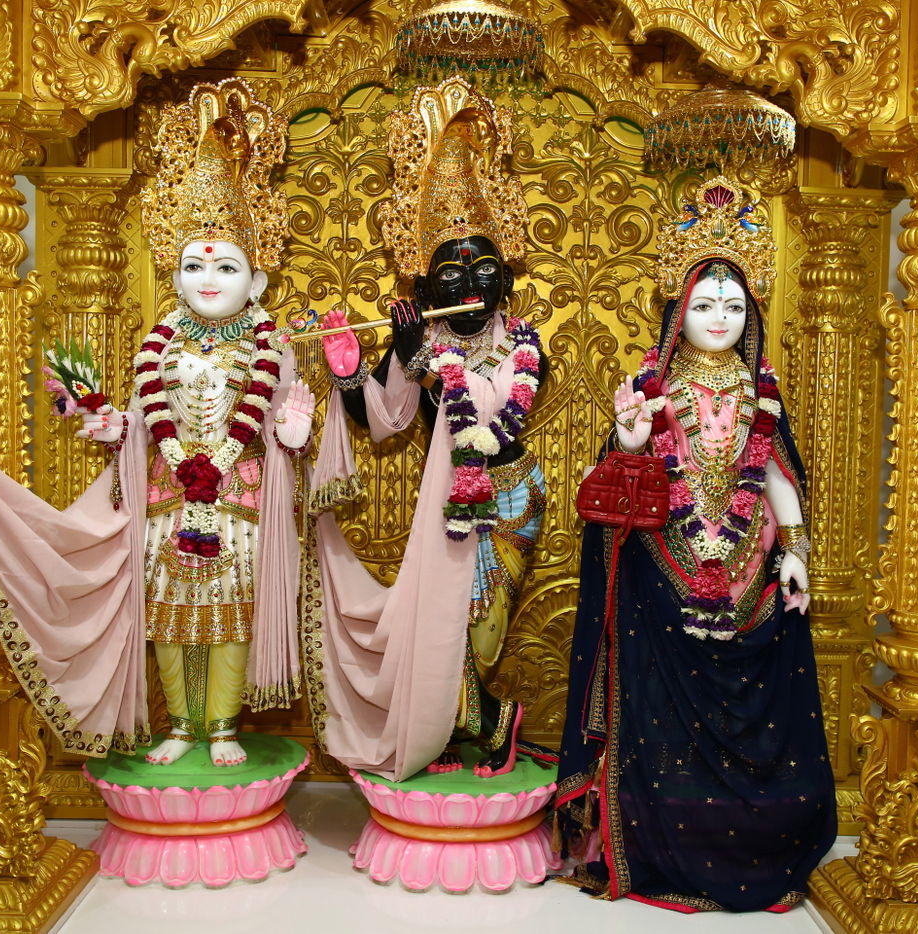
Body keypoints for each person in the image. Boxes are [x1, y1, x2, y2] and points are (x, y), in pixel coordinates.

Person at [0, 78, 311, 768]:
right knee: (168, 616)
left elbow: (289, 424)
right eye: (193, 265)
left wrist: (293, 424)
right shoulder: (159, 344)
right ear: (172, 275)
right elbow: (147, 418)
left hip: (238, 501)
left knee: (229, 615)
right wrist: (116, 426)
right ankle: (181, 726)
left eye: (226, 265)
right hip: (168, 495)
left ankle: (223, 728)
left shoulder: (271, 347)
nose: (208, 277)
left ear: (256, 283)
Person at [553, 177, 836, 912]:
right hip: (663, 567)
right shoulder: (655, 386)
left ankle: (747, 841)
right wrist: (629, 436)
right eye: (705, 305)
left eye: (735, 307)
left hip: (749, 574)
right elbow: (619, 472)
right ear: (680, 312)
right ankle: (654, 845)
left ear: (753, 318)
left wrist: (797, 549)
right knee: (656, 715)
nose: (720, 319)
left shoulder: (758, 393)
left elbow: (773, 473)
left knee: (754, 713)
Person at [308, 77, 547, 781]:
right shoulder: (420, 339)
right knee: (445, 629)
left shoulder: (527, 344)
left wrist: (428, 362)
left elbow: (498, 429)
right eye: (449, 269)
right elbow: (383, 423)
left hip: (508, 496)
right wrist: (354, 374)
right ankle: (470, 728)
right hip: (446, 506)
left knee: (481, 628)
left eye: (481, 265)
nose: (466, 279)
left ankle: (477, 722)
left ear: (503, 280)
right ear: (425, 288)